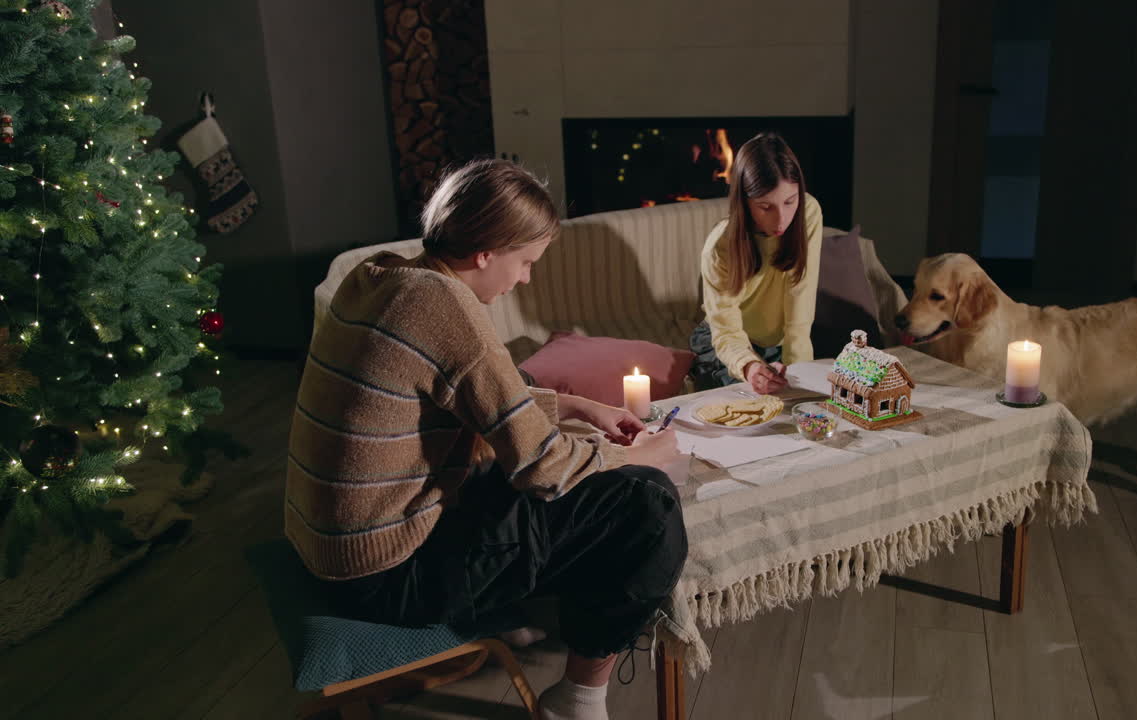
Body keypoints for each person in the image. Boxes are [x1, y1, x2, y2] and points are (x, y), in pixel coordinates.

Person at [286, 159, 686, 720]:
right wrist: (635, 456)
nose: (525, 278)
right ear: (486, 252)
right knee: (648, 503)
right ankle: (578, 700)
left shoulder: (378, 275)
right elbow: (543, 469)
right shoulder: (447, 309)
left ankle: (518, 606)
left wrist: (575, 404)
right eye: (526, 262)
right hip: (388, 581)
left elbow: (468, 399)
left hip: (329, 554)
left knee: (514, 458)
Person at [690, 132, 823, 394]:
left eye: (789, 201)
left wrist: (800, 374)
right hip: (725, 345)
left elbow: (801, 299)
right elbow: (726, 332)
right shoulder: (720, 247)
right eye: (765, 207)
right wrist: (749, 366)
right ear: (744, 202)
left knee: (801, 401)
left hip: (775, 343)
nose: (781, 221)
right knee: (750, 406)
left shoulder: (808, 213)